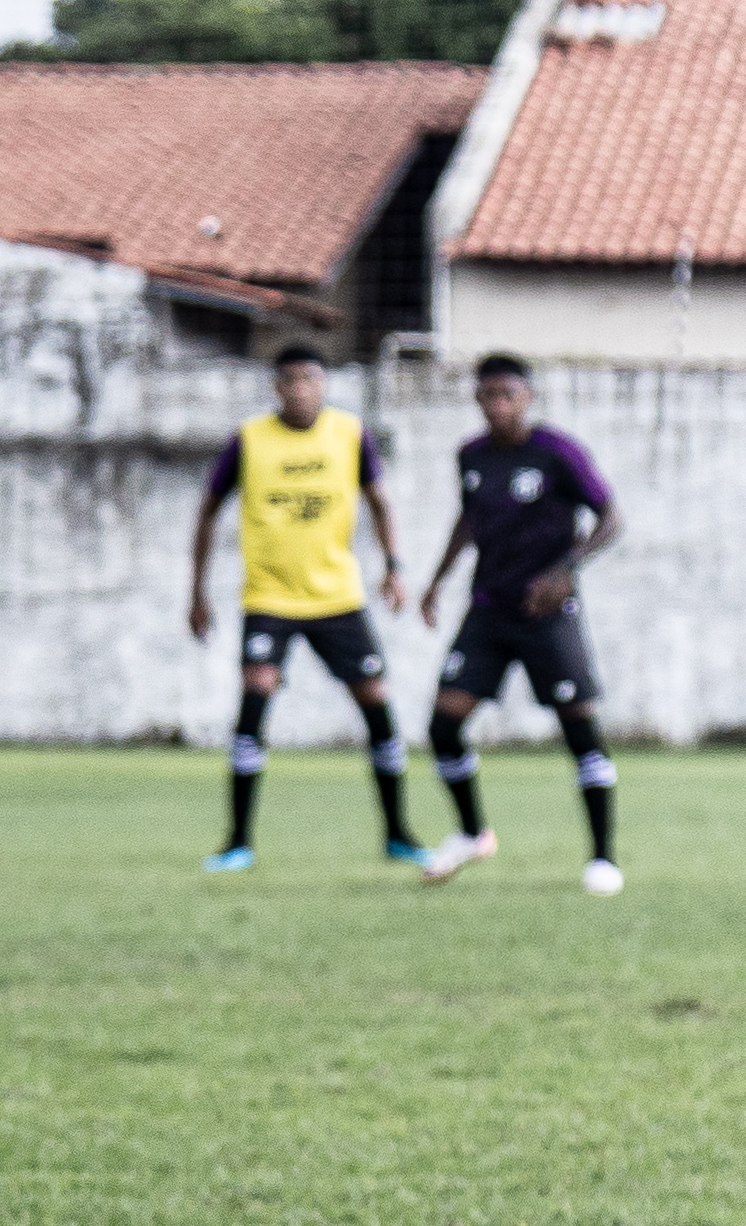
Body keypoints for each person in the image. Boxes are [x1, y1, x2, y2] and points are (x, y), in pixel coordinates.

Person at [189, 345, 423, 872]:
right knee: (257, 690)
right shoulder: (249, 440)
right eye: (290, 380)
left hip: (337, 596)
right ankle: (237, 841)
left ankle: (398, 834)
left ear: (324, 384)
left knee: (375, 698)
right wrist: (197, 592)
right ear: (277, 387)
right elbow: (207, 512)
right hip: (269, 597)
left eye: (309, 380)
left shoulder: (349, 434)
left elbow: (380, 503)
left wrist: (394, 567)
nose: (299, 390)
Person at [415, 353, 628, 893]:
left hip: (546, 614)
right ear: (477, 398)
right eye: (488, 395)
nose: (498, 405)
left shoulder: (556, 453)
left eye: (508, 395)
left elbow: (611, 518)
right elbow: (468, 518)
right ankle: (471, 833)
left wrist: (565, 569)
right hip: (488, 610)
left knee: (578, 725)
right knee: (443, 724)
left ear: (527, 398)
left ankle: (603, 858)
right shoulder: (471, 455)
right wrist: (437, 580)